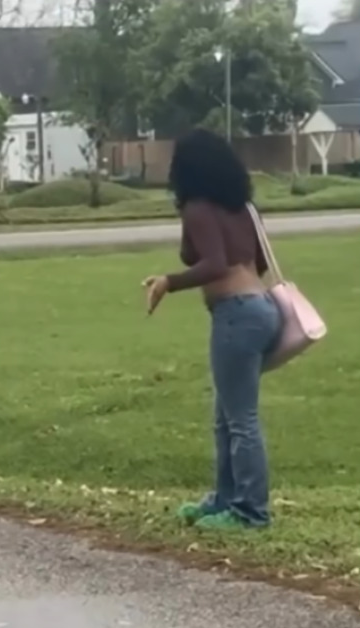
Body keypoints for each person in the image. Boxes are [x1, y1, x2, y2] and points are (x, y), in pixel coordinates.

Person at [142, 128, 281, 531]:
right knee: (226, 417)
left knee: (241, 420)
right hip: (261, 308)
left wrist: (169, 281)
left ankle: (250, 511)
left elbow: (214, 264)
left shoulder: (199, 207)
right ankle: (224, 499)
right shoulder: (242, 208)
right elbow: (257, 264)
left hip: (236, 314)